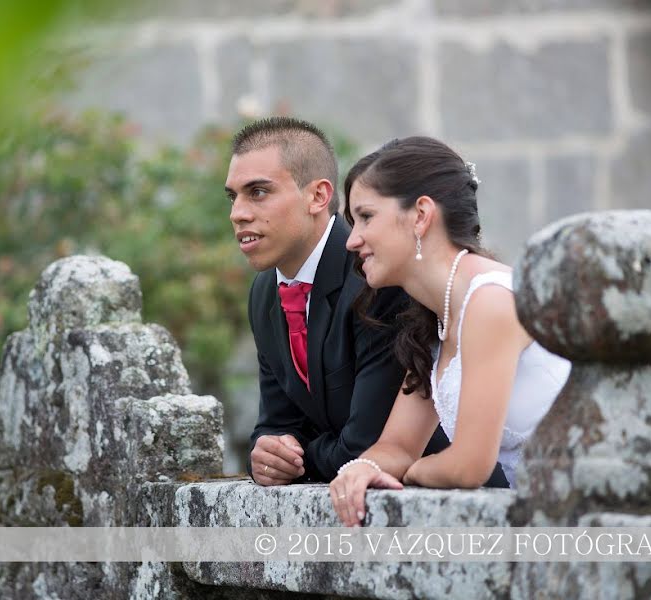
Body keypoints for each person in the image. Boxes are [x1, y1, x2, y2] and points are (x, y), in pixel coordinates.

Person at [328, 136, 570, 526]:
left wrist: (411, 473)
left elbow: (469, 466)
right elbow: (399, 444)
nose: (353, 240)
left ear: (421, 214)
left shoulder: (490, 300)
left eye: (366, 217)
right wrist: (363, 467)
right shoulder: (435, 320)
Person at [226, 118, 481, 485]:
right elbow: (277, 424)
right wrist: (268, 453)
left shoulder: (380, 278)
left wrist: (299, 461)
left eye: (258, 192)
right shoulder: (264, 291)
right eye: (232, 196)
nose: (238, 213)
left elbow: (365, 445)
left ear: (317, 196)